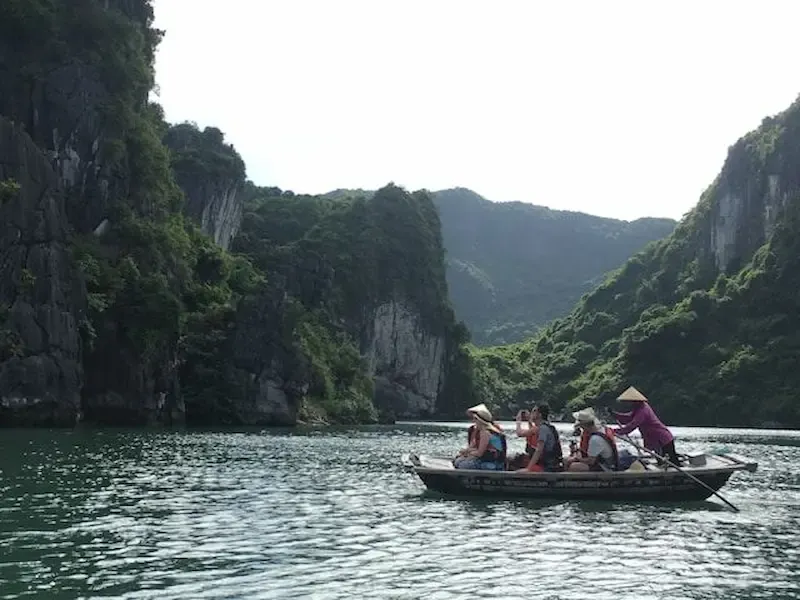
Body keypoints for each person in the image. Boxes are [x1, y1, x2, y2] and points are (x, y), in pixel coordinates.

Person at [611, 386, 680, 466]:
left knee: (671, 462)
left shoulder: (643, 410)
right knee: (661, 461)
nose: (629, 403)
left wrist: (614, 431)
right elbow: (628, 418)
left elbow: (632, 425)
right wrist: (614, 414)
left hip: (662, 438)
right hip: (655, 439)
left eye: (630, 401)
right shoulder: (638, 408)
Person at [453, 404, 507, 470]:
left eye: (475, 419)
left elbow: (479, 453)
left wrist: (468, 453)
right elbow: (474, 447)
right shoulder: (482, 431)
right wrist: (466, 452)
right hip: (487, 460)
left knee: (462, 465)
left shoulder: (485, 432)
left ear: (480, 421)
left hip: (493, 463)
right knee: (458, 461)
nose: (474, 421)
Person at [516, 403, 563, 472]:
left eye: (534, 411)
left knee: (518, 471)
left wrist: (528, 469)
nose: (531, 413)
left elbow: (539, 450)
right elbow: (530, 433)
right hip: (545, 463)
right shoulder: (541, 427)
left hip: (547, 466)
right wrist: (529, 421)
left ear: (539, 415)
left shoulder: (543, 429)